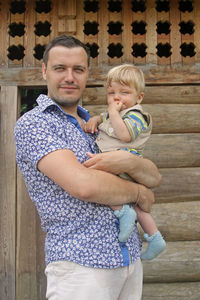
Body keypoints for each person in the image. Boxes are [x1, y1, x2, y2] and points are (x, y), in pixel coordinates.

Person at [14, 35, 161, 300]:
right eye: (60, 68)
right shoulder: (35, 124)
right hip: (81, 264)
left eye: (78, 69)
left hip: (128, 258)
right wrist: (138, 194)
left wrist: (129, 162)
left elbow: (154, 177)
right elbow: (84, 185)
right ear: (45, 71)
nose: (70, 77)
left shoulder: (97, 125)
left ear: (86, 74)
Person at [84, 64, 166, 260]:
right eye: (111, 92)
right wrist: (96, 118)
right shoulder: (113, 113)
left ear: (139, 98)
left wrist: (111, 112)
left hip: (124, 164)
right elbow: (103, 118)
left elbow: (124, 134)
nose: (116, 97)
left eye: (124, 92)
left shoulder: (138, 115)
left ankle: (122, 212)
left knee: (99, 182)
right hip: (117, 164)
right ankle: (155, 237)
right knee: (136, 205)